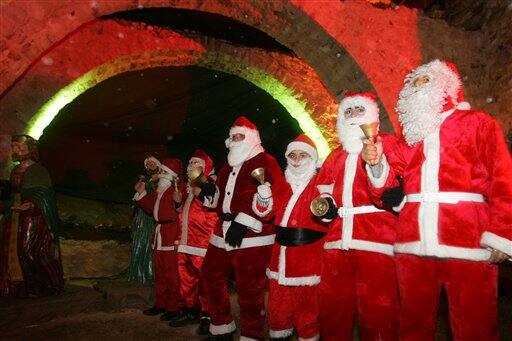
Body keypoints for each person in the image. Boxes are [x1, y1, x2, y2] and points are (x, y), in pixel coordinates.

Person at [362, 60, 512, 340]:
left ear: (445, 85)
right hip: (412, 241)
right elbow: (386, 190)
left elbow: (504, 179)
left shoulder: (478, 123)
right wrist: (376, 164)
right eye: (412, 83)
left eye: (424, 81)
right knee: (412, 325)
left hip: (467, 241)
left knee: (475, 325)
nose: (415, 88)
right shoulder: (411, 139)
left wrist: (503, 233)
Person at [315, 93, 399, 340]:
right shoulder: (335, 155)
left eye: (357, 110)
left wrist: (376, 165)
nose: (352, 116)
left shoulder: (389, 145)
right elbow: (324, 190)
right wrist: (327, 206)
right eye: (347, 112)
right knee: (332, 309)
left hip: (376, 241)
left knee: (378, 311)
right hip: (337, 242)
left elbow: (390, 189)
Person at [200, 116, 286, 340]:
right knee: (210, 276)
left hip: (254, 236)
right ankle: (221, 325)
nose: (235, 140)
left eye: (240, 136)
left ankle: (252, 334)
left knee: (249, 289)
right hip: (222, 231)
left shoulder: (266, 161)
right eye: (232, 137)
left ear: (251, 138)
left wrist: (245, 221)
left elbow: (275, 199)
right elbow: (219, 201)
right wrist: (210, 195)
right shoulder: (226, 168)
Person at [266, 134, 326, 341]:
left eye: (303, 155)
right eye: (293, 155)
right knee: (278, 304)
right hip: (279, 255)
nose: (297, 159)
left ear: (312, 159)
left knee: (307, 307)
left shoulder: (321, 184)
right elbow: (266, 214)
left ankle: (308, 336)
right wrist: (263, 198)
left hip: (308, 257)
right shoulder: (281, 184)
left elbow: (328, 218)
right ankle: (280, 334)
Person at [0, 134, 64, 297]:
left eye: (20, 147)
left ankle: (51, 283)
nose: (16, 150)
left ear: (30, 149)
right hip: (15, 214)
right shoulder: (15, 170)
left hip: (34, 216)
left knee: (29, 249)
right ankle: (26, 285)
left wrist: (31, 204)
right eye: (14, 146)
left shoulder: (38, 171)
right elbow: (13, 193)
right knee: (12, 249)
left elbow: (45, 196)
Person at [171, 149, 218, 335]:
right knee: (186, 280)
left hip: (203, 242)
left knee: (206, 282)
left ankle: (208, 315)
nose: (191, 167)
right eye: (190, 164)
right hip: (185, 241)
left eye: (195, 163)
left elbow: (213, 202)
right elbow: (186, 212)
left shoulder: (211, 182)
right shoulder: (189, 185)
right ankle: (189, 310)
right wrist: (177, 204)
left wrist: (201, 188)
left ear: (205, 167)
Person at [134, 158, 184, 322]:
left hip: (171, 233)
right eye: (161, 171)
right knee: (160, 272)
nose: (160, 174)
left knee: (171, 274)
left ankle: (173, 307)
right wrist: (141, 193)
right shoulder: (159, 190)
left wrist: (178, 204)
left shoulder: (178, 189)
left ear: (171, 175)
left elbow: (181, 211)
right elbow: (149, 208)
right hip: (158, 234)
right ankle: (161, 304)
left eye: (163, 172)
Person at [128, 156, 160, 285]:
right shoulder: (144, 180)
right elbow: (136, 197)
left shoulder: (162, 179)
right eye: (148, 164)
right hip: (141, 217)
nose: (151, 165)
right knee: (139, 242)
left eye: (153, 163)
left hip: (152, 216)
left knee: (149, 243)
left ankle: (149, 275)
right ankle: (137, 275)